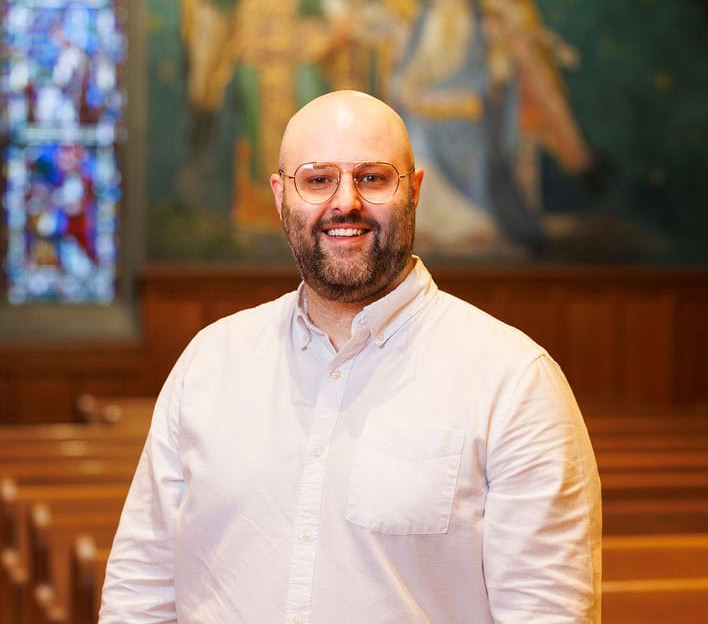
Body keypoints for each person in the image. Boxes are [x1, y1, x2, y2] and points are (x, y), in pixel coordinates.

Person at [100, 90, 602, 623]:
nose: (345, 202)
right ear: (279, 196)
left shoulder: (514, 383)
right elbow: (142, 589)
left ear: (414, 191)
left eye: (373, 177)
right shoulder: (209, 363)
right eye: (317, 179)